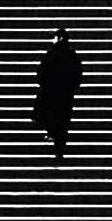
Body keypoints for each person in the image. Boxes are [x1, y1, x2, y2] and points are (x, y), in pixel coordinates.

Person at [32, 28, 82, 160]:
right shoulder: (71, 55)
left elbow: (41, 72)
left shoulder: (51, 54)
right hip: (66, 93)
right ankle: (60, 146)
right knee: (63, 118)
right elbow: (78, 74)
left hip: (52, 92)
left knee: (52, 115)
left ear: (59, 38)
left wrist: (46, 85)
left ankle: (53, 135)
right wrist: (72, 87)